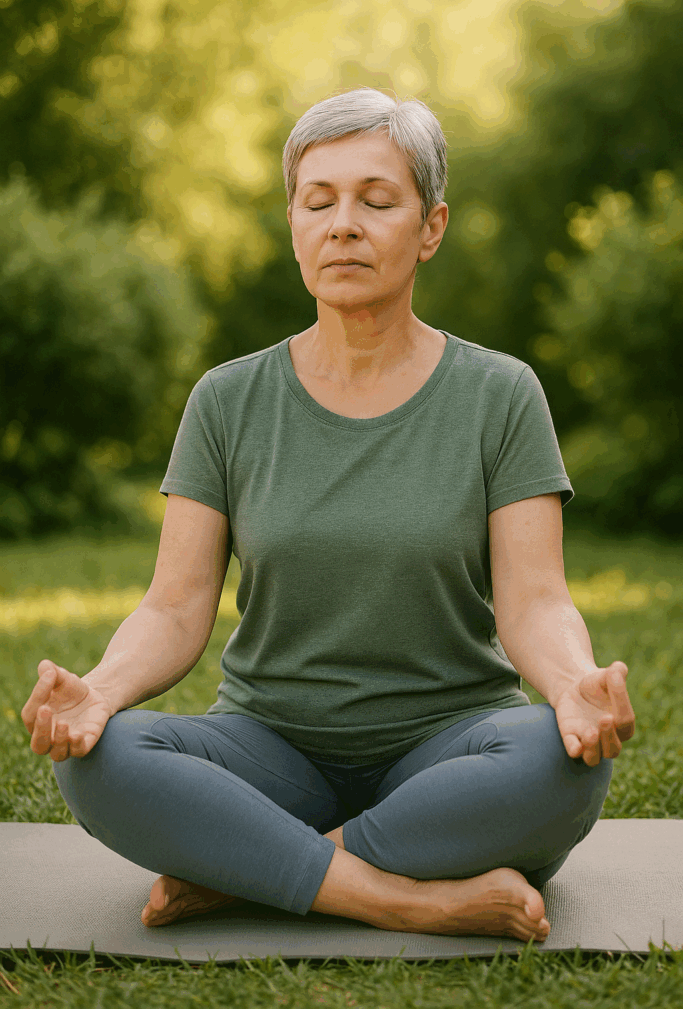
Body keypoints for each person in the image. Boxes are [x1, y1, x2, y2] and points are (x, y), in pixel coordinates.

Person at [21, 87, 636, 943]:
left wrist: (570, 687)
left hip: (451, 746)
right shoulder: (226, 401)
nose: (343, 225)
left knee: (557, 763)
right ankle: (407, 898)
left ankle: (241, 872)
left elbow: (535, 601)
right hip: (270, 751)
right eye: (318, 203)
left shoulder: (500, 395)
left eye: (376, 201)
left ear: (430, 227)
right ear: (293, 225)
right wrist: (102, 691)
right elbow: (173, 607)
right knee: (100, 762)